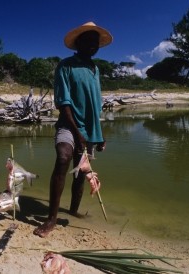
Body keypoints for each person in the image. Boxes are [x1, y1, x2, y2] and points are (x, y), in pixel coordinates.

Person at [33, 21, 112, 238]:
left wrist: (100, 134)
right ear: (78, 42)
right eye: (88, 41)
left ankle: (73, 211)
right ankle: (51, 218)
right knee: (63, 157)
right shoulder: (65, 65)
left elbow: (95, 104)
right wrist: (78, 134)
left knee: (81, 174)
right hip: (69, 125)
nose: (92, 45)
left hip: (90, 131)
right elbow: (63, 102)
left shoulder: (96, 70)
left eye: (95, 42)